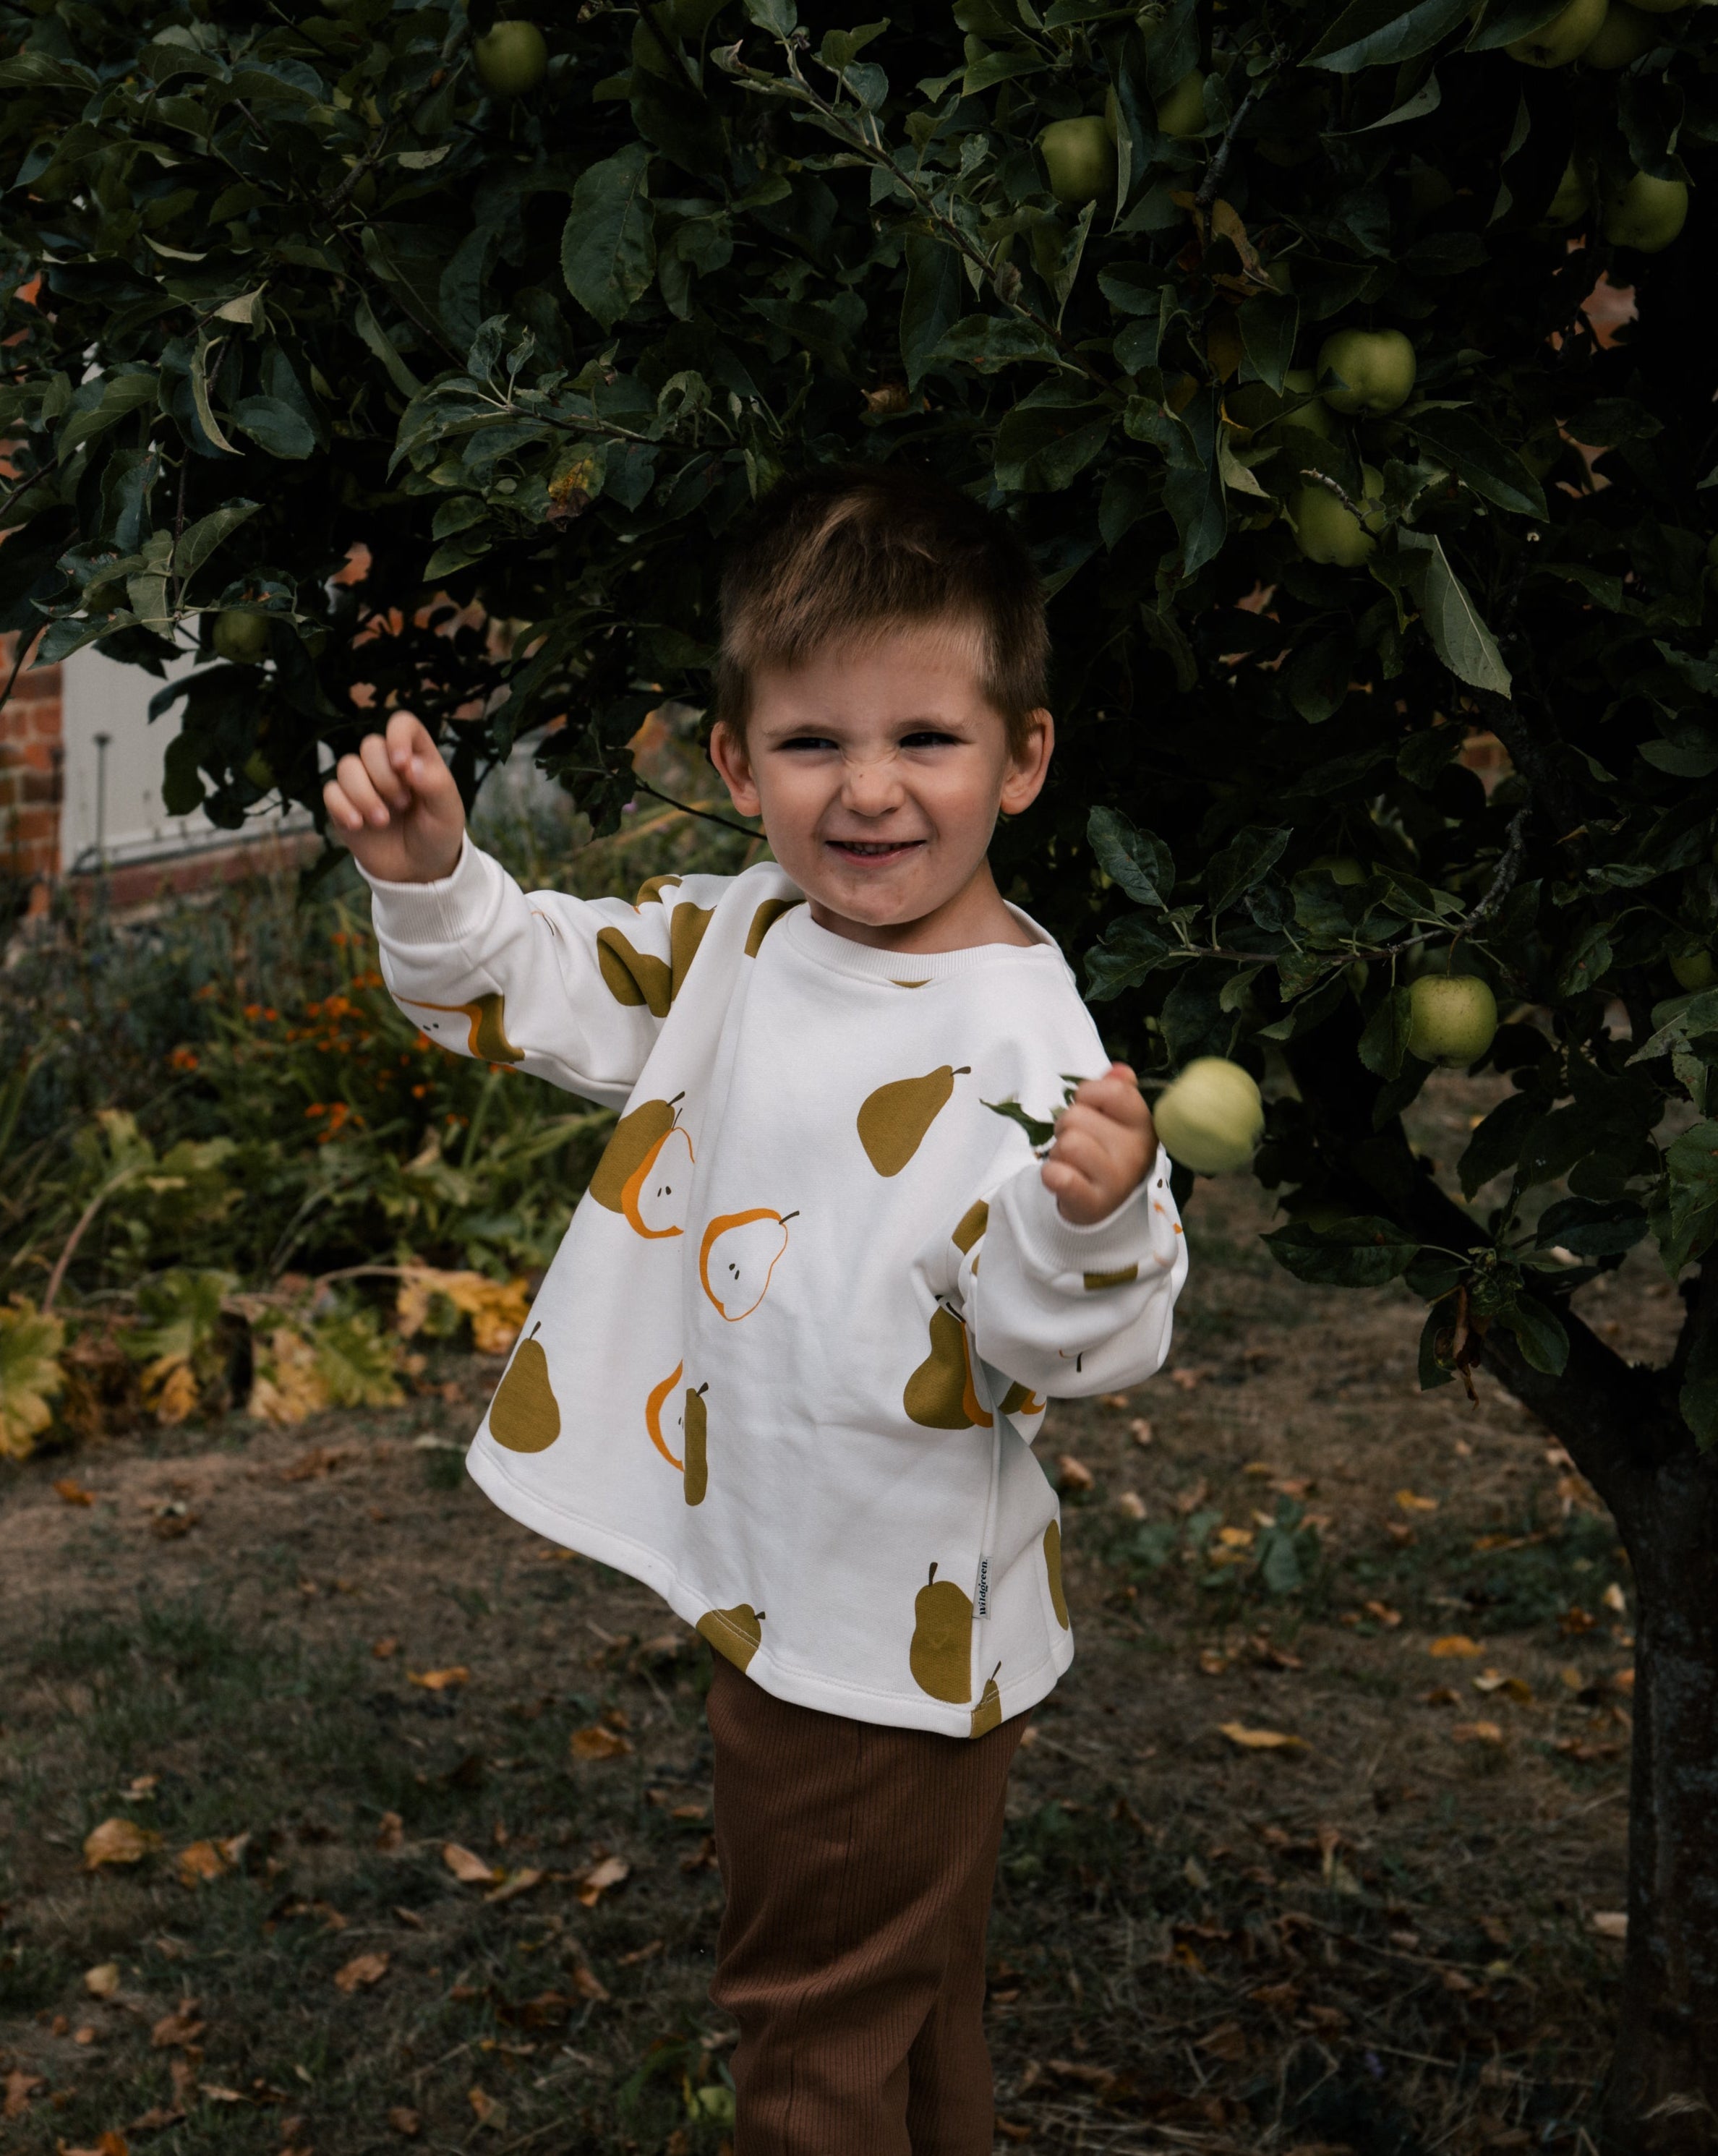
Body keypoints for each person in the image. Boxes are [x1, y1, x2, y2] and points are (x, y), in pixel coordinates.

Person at [324, 465, 1188, 2155]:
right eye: (811, 746)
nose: (867, 793)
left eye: (926, 742)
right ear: (736, 764)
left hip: (876, 1616)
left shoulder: (1022, 1039)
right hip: (802, 1577)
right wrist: (439, 879)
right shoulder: (747, 936)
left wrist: (1086, 1220)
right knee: (902, 2004)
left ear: (1023, 756)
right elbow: (545, 983)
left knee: (809, 2037)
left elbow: (1075, 1338)